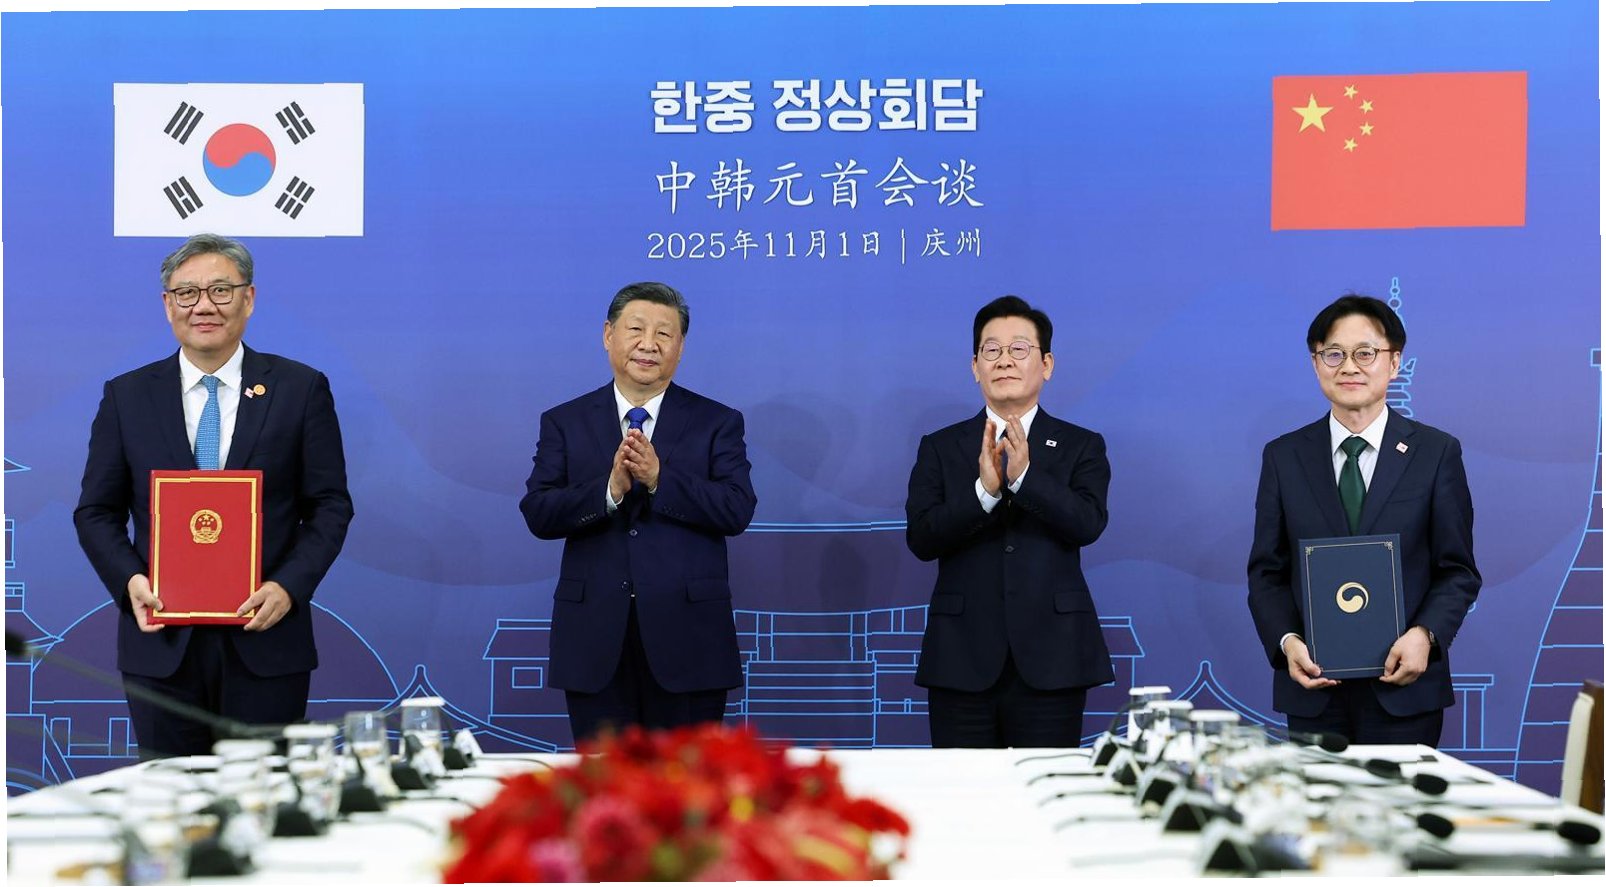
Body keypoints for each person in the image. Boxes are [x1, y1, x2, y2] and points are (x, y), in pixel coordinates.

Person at [74, 233, 354, 758]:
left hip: (266, 639)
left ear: (249, 298)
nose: (203, 305)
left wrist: (288, 587)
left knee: (264, 796)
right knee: (170, 796)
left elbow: (330, 506)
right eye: (187, 293)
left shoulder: (300, 389)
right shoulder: (127, 396)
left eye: (221, 290)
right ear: (168, 305)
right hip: (161, 643)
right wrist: (130, 582)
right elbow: (96, 511)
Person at [520, 281, 755, 743]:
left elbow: (736, 508)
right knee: (602, 782)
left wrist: (659, 479)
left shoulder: (717, 422)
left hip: (689, 642)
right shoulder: (565, 421)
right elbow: (539, 511)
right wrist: (608, 491)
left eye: (664, 334)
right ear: (608, 335)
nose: (649, 344)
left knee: (688, 782)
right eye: (636, 330)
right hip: (594, 643)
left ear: (681, 347)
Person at [1247, 294, 1479, 746]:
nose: (1349, 367)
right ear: (1316, 364)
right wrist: (1288, 642)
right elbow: (1266, 572)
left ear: (1394, 362)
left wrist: (1425, 636)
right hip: (1314, 689)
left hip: (1404, 691)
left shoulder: (1436, 453)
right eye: (1333, 354)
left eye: (1365, 353)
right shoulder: (1284, 457)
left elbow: (1458, 570)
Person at [906, 295, 1114, 748]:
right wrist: (984, 493)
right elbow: (921, 538)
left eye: (1019, 349)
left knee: (1049, 787)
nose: (1004, 360)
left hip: (1053, 659)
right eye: (991, 350)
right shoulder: (940, 447)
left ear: (1046, 364)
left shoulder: (1081, 445)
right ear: (975, 366)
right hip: (961, 659)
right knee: (963, 790)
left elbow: (1087, 524)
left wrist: (1024, 480)